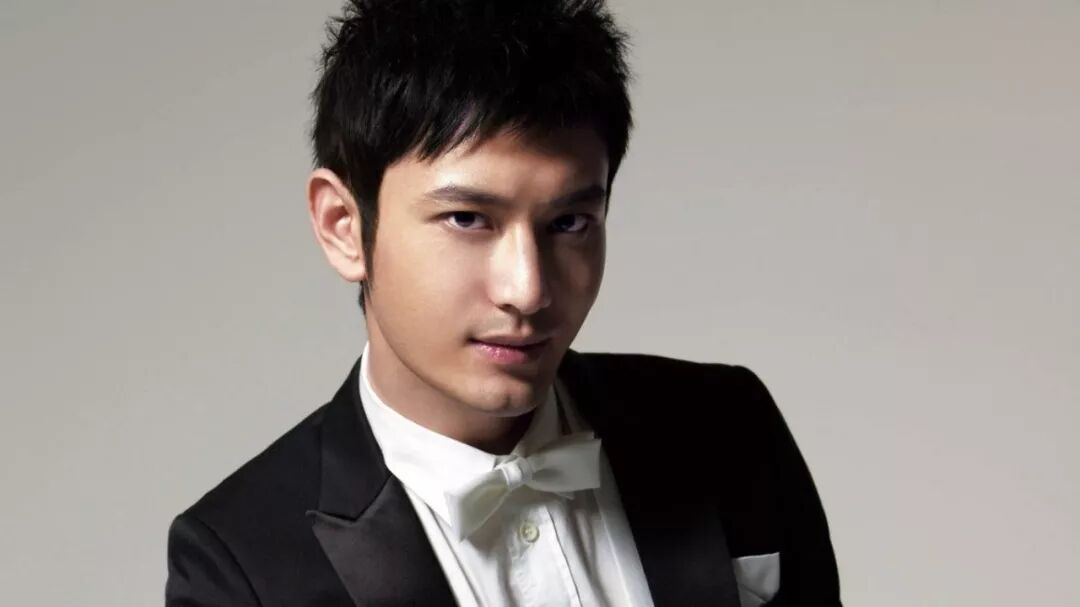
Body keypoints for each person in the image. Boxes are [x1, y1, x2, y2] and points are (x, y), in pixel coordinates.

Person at [164, 1, 841, 605]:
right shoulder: (242, 568)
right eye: (467, 219)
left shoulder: (729, 426)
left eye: (569, 223)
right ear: (344, 226)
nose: (528, 289)